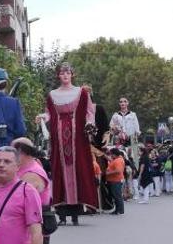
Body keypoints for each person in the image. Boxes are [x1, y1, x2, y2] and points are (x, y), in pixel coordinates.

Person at [35, 62, 98, 226]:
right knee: (60, 172)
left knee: (78, 170)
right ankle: (62, 213)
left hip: (77, 139)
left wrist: (89, 124)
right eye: (62, 73)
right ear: (58, 75)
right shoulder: (52, 95)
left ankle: (76, 213)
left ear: (72, 75)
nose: (65, 75)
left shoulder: (81, 93)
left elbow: (90, 112)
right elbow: (49, 113)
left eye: (68, 73)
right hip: (59, 138)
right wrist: (42, 117)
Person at [110, 97, 141, 167]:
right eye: (121, 102)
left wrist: (134, 138)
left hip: (131, 138)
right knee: (119, 156)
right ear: (119, 104)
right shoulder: (115, 115)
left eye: (124, 101)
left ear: (127, 103)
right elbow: (111, 127)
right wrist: (116, 129)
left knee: (134, 158)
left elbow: (137, 128)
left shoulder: (133, 115)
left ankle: (135, 171)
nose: (122, 103)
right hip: (119, 139)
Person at [105, 148, 126, 215]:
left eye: (111, 154)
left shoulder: (118, 161)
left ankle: (119, 210)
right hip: (115, 180)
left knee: (117, 196)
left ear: (114, 154)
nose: (110, 156)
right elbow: (111, 161)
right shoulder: (117, 159)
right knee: (116, 196)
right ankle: (118, 210)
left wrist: (108, 173)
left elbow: (118, 170)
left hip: (116, 180)